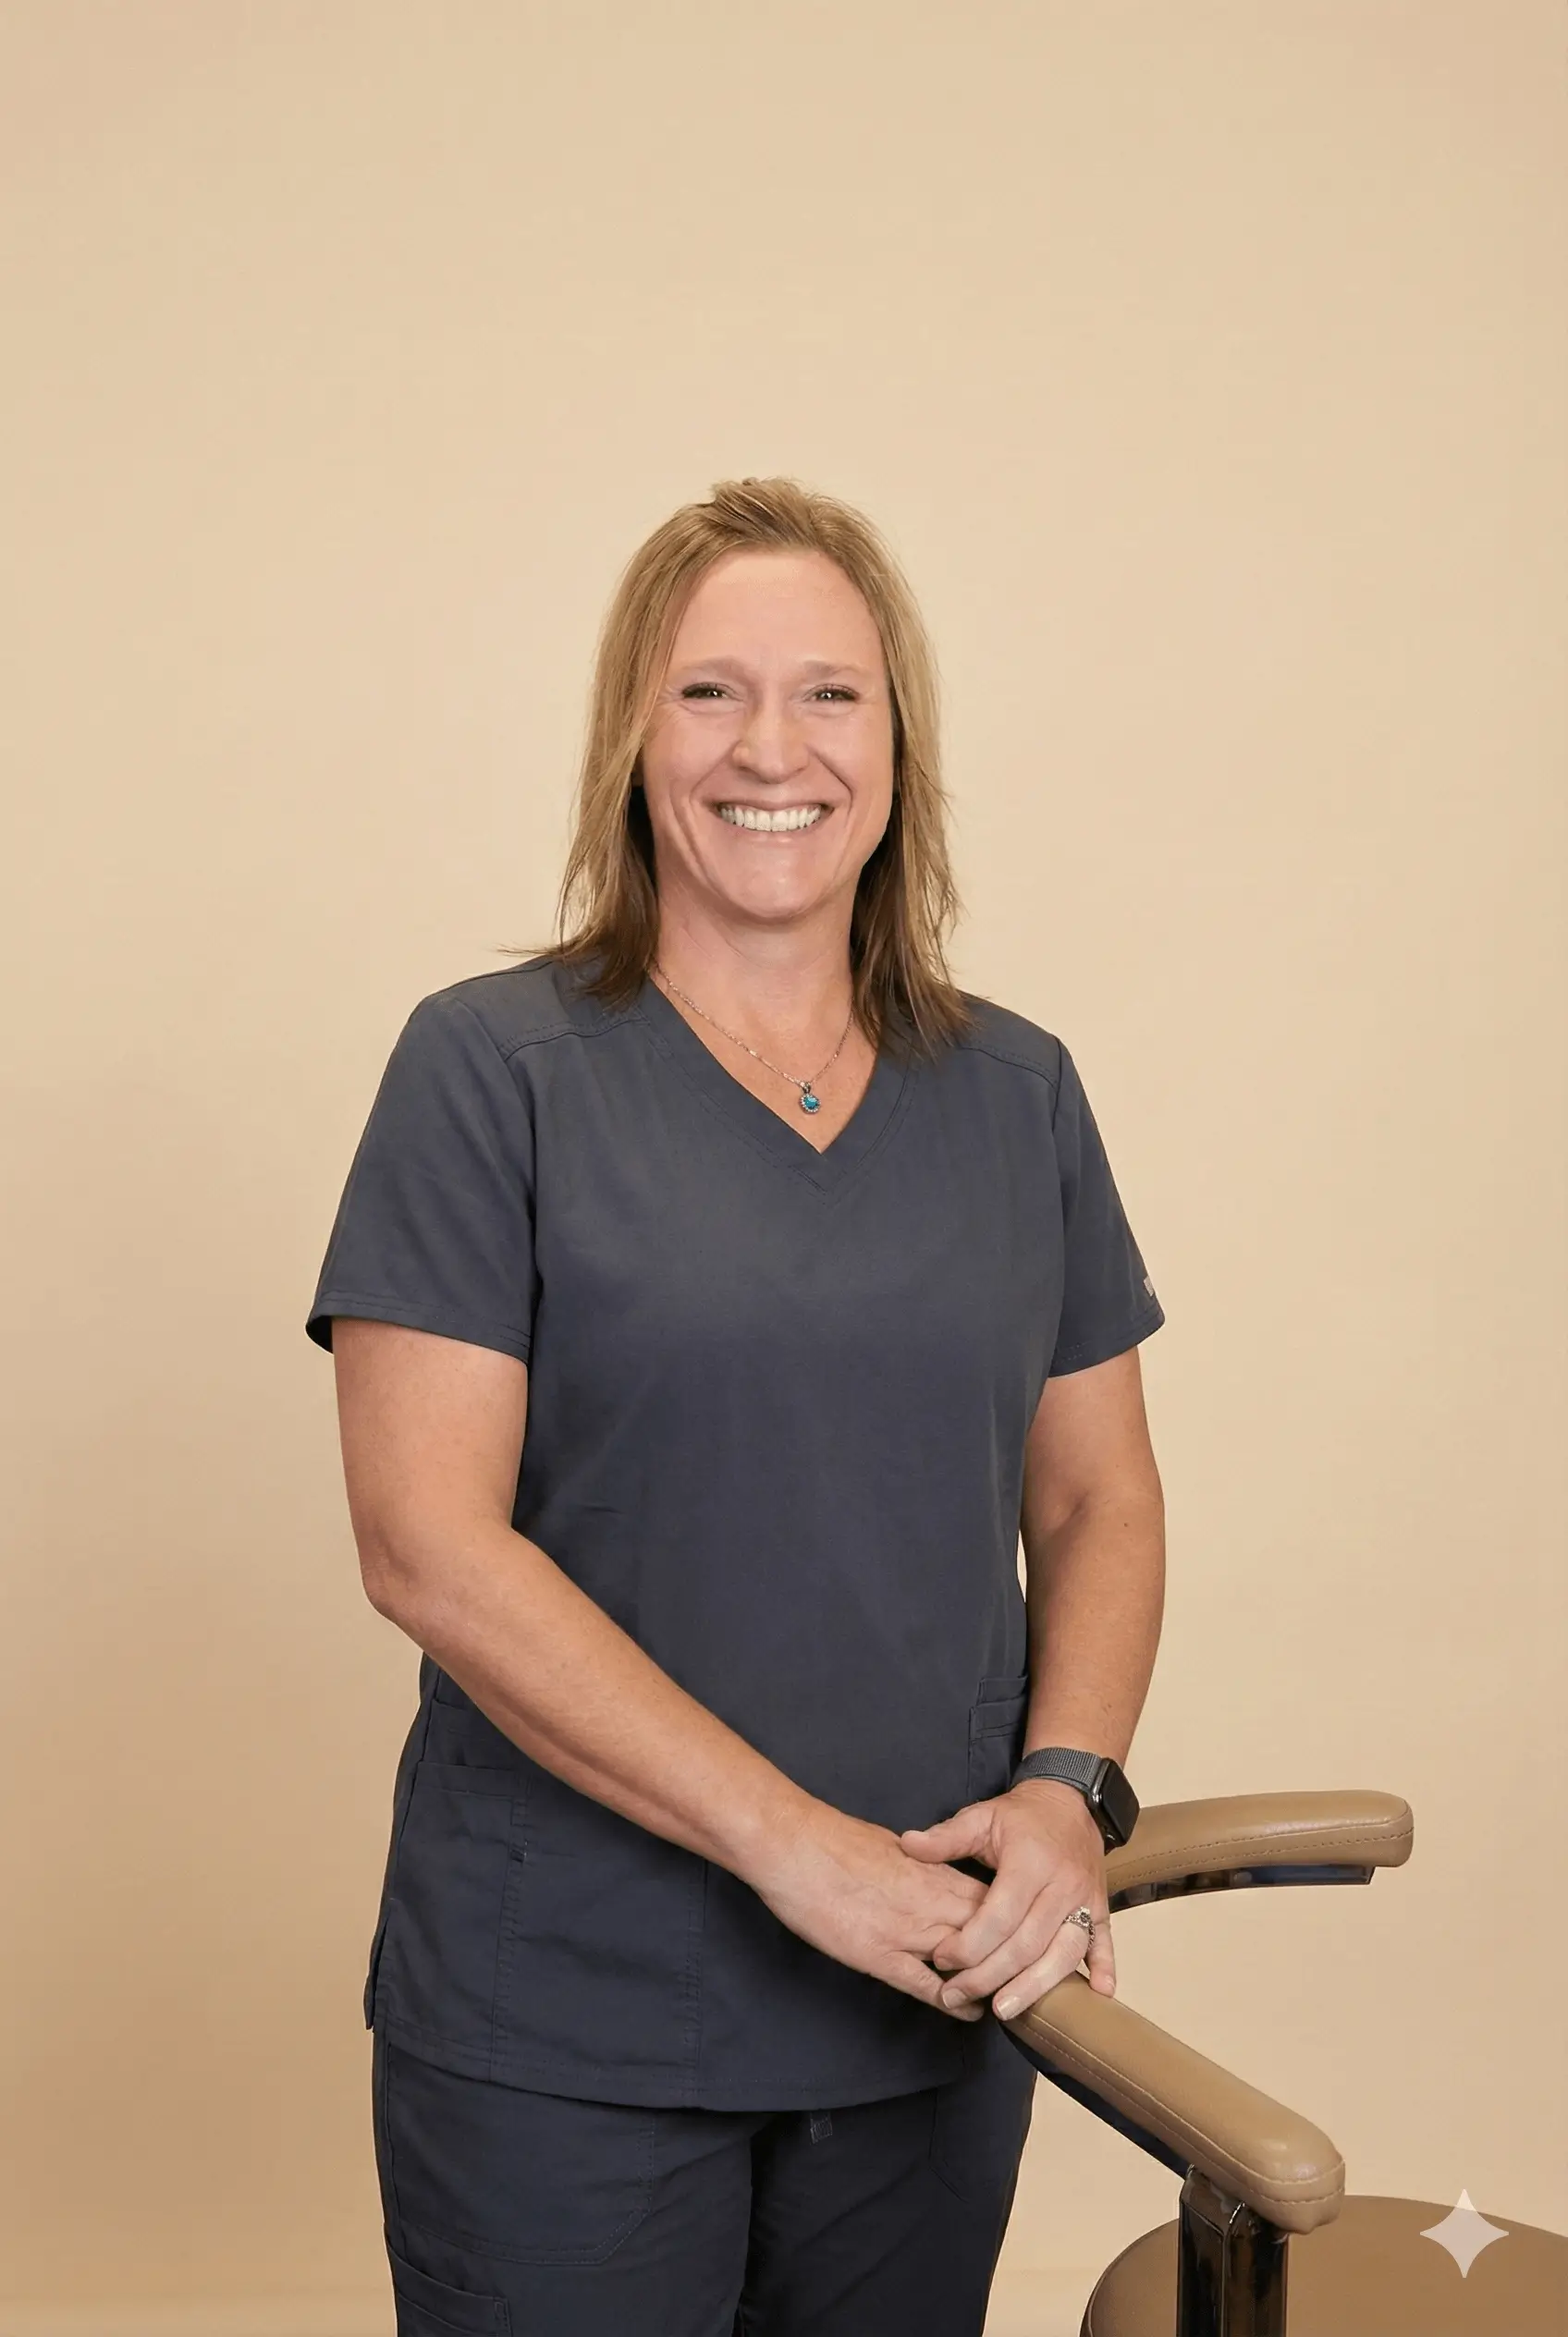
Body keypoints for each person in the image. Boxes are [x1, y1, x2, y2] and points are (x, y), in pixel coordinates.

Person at [304, 475, 1167, 2335]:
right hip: (567, 2023)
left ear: (896, 740)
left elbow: (1095, 1498)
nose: (768, 747)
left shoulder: (1016, 1092)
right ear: (633, 737)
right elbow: (424, 1542)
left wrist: (1063, 1790)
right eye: (706, 693)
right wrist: (796, 1851)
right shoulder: (489, 1073)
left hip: (926, 2003)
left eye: (828, 694)